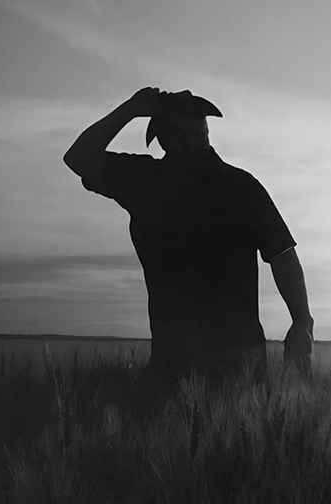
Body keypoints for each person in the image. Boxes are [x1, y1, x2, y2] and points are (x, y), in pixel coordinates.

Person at [63, 87, 314, 385]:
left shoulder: (241, 187)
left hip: (239, 365)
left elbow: (282, 254)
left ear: (207, 130)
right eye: (180, 136)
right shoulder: (143, 180)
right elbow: (78, 158)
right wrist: (129, 109)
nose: (193, 144)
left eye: (198, 133)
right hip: (172, 362)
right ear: (163, 141)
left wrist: (302, 321)